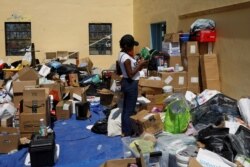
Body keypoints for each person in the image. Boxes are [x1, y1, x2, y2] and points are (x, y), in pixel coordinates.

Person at [118, 34, 148, 136]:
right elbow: (130, 74)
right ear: (126, 46)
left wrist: (138, 64)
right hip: (130, 84)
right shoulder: (126, 58)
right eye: (131, 46)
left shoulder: (122, 54)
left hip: (126, 83)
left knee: (126, 108)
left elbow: (127, 71)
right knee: (129, 110)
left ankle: (124, 130)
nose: (133, 48)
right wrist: (140, 65)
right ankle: (127, 132)